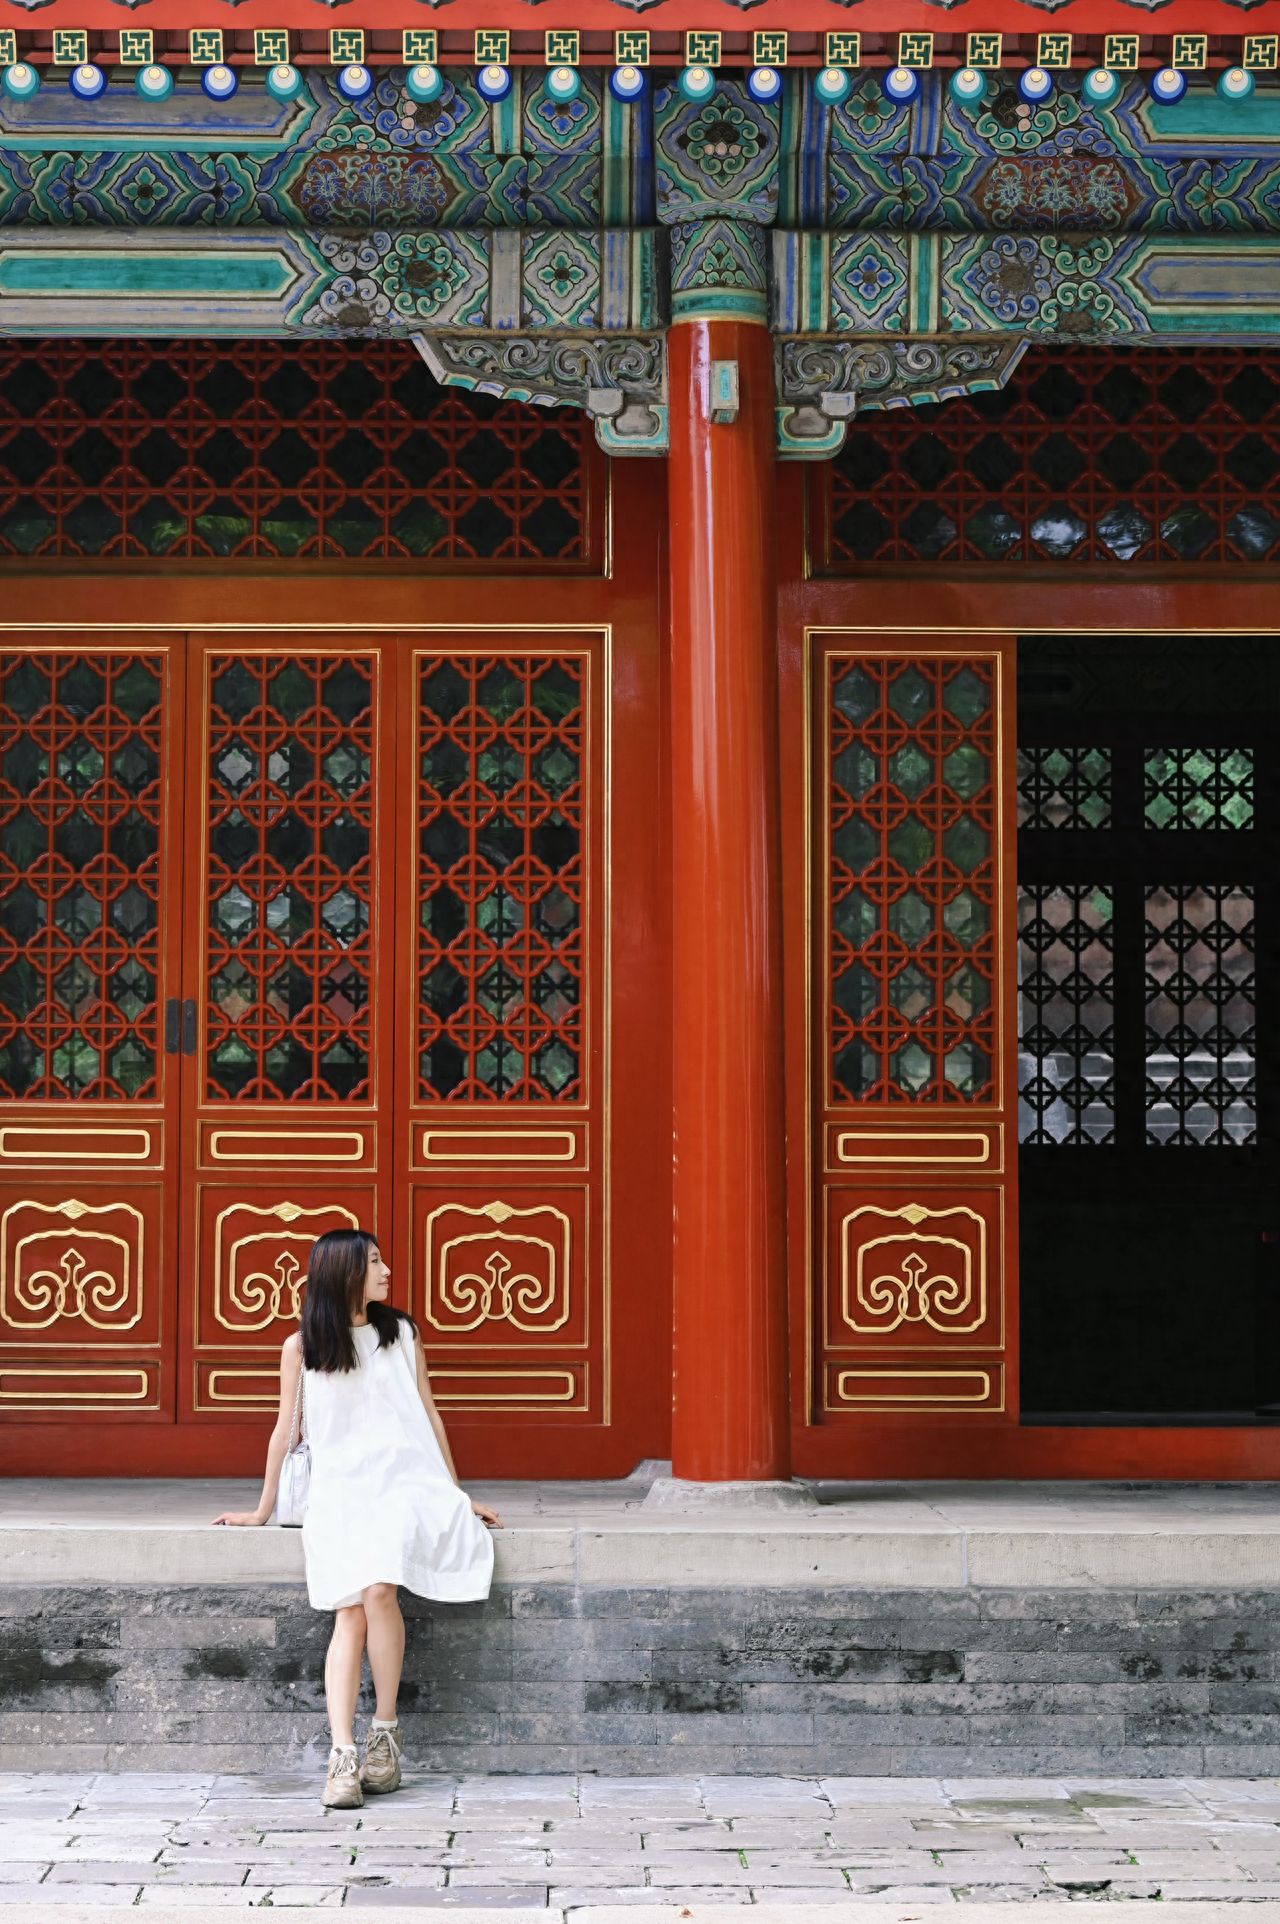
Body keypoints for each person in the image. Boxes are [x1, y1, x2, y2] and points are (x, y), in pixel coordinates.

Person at [213, 1227, 502, 1808]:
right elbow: (284, 1432)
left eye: (382, 1260)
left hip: (402, 1483)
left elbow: (427, 1412)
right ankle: (342, 1753)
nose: (386, 1270)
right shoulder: (304, 1346)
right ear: (344, 1272)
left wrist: (454, 1492)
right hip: (341, 1489)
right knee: (349, 1606)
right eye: (374, 1262)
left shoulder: (401, 1332)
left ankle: (385, 1736)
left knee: (378, 1592)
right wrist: (262, 1510)